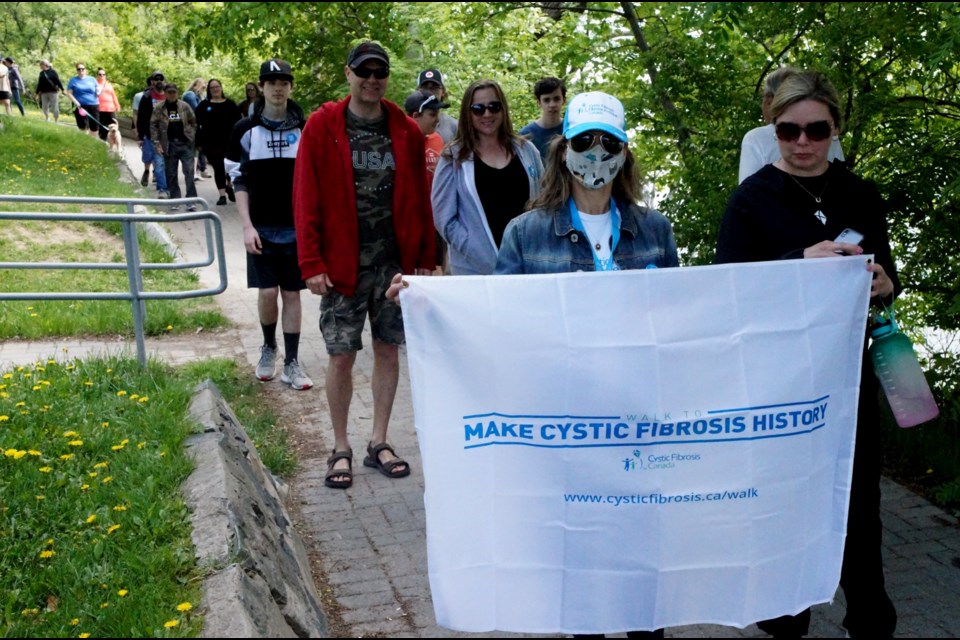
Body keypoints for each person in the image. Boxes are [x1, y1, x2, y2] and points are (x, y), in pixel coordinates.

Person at [388, 92, 678, 640]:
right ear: (563, 150)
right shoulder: (525, 233)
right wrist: (430, 299)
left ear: (625, 153)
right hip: (564, 419)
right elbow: (498, 318)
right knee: (579, 549)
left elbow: (679, 318)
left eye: (608, 143)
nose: (596, 154)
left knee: (641, 554)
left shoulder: (655, 230)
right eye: (585, 141)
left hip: (637, 419)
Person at [716, 70, 899, 639]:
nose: (802, 142)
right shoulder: (750, 200)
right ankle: (784, 614)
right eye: (788, 129)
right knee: (785, 501)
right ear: (772, 129)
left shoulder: (861, 194)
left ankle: (870, 618)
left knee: (857, 502)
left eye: (816, 129)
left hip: (847, 378)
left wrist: (885, 284)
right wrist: (799, 262)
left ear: (834, 129)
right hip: (779, 384)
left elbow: (890, 275)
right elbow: (726, 293)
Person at [292, 40, 436, 490]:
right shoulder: (322, 126)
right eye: (364, 72)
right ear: (349, 73)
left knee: (388, 350)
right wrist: (311, 262)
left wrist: (426, 259)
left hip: (393, 266)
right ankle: (340, 447)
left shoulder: (406, 130)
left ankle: (378, 440)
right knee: (340, 356)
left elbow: (421, 198)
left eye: (380, 72)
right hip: (341, 267)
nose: (372, 80)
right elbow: (305, 195)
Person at [226, 59, 312, 391]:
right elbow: (238, 181)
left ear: (291, 87)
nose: (278, 87)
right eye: (271, 81)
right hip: (260, 227)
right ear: (261, 87)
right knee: (266, 292)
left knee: (292, 293)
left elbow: (314, 181)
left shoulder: (305, 128)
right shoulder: (244, 130)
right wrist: (247, 226)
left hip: (295, 228)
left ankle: (292, 362)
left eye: (284, 81)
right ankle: (268, 348)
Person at [431, 78, 543, 276]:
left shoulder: (527, 151)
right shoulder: (453, 157)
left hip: (529, 268)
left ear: (503, 109)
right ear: (468, 112)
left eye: (494, 107)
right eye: (478, 109)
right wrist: (475, 250)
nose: (487, 114)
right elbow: (444, 219)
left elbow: (544, 202)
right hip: (475, 272)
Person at [738, 65, 844, 183]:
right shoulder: (827, 132)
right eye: (788, 131)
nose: (802, 141)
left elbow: (748, 188)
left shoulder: (755, 138)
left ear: (770, 99)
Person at [404, 88, 450, 271]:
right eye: (432, 114)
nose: (437, 119)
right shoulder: (399, 142)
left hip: (434, 217)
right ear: (416, 116)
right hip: (410, 219)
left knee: (435, 267)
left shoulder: (437, 140)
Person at [150, 82, 198, 211]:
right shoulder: (159, 108)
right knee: (171, 173)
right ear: (165, 93)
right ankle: (175, 199)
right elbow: (153, 125)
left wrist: (191, 135)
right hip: (169, 144)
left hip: (185, 143)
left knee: (189, 172)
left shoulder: (184, 106)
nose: (171, 94)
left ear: (177, 93)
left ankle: (191, 200)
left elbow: (193, 122)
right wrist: (156, 142)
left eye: (174, 92)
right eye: (169, 92)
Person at [196, 78, 242, 206]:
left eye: (217, 87)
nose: (215, 89)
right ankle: (222, 195)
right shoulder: (204, 106)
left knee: (229, 167)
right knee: (218, 167)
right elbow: (196, 125)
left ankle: (229, 185)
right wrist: (198, 143)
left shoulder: (230, 105)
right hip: (211, 143)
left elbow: (238, 124)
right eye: (212, 88)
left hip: (230, 142)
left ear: (221, 88)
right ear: (209, 90)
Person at [519, 76, 567, 163]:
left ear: (564, 100)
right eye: (546, 100)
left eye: (556, 99)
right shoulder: (526, 135)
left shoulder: (571, 130)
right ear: (539, 103)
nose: (552, 104)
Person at [416, 68, 457, 143]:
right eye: (424, 87)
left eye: (435, 87)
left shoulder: (454, 126)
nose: (429, 91)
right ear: (417, 91)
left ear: (443, 92)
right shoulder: (406, 123)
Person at [183, 77, 212, 179]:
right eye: (203, 85)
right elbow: (198, 110)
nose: (204, 88)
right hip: (189, 126)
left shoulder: (200, 96)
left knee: (199, 148)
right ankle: (193, 172)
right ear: (196, 85)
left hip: (197, 126)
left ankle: (200, 170)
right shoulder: (190, 95)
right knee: (194, 149)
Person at [66, 62, 100, 137]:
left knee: (94, 126)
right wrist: (76, 102)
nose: (81, 70)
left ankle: (94, 142)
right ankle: (84, 142)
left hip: (93, 105)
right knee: (83, 125)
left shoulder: (92, 79)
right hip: (80, 106)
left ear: (85, 70)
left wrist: (98, 91)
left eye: (82, 69)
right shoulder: (73, 80)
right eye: (79, 69)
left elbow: (97, 88)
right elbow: (69, 93)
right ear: (77, 70)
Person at [95, 68, 121, 142]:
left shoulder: (109, 85)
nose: (102, 76)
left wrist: (117, 105)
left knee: (113, 125)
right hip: (100, 109)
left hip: (110, 108)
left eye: (103, 74)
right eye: (100, 74)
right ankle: (103, 141)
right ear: (97, 75)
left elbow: (114, 96)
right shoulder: (95, 84)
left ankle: (114, 142)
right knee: (102, 126)